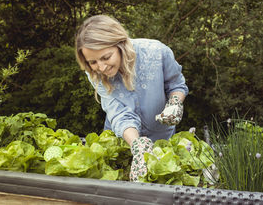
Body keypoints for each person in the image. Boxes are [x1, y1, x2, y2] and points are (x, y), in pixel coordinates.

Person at [75, 15, 189, 181]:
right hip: (121, 143)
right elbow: (118, 113)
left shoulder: (157, 51)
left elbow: (177, 85)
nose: (101, 67)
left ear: (120, 44)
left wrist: (175, 103)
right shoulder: (94, 73)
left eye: (106, 57)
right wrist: (138, 147)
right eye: (93, 62)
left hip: (161, 140)